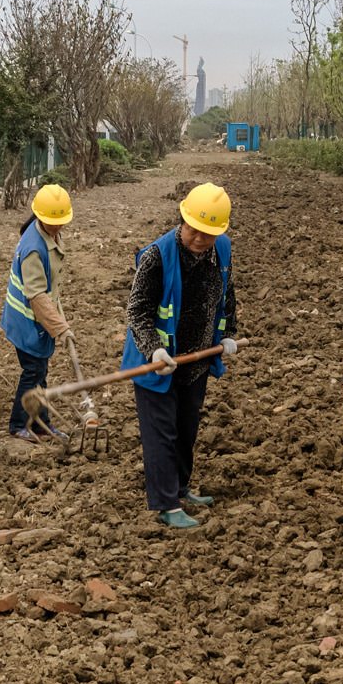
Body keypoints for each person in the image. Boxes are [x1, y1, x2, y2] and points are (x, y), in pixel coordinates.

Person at [121, 182, 238, 529]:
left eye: (208, 234)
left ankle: (181, 487)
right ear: (183, 220)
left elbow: (226, 293)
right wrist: (153, 348)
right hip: (156, 363)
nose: (200, 240)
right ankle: (166, 503)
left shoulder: (223, 251)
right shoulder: (157, 256)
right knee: (162, 433)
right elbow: (137, 310)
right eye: (194, 231)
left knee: (187, 426)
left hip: (197, 358)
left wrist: (229, 332)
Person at [2, 184, 74, 443]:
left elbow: (50, 288)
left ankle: (42, 423)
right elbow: (37, 296)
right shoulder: (33, 247)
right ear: (39, 216)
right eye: (51, 222)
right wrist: (60, 328)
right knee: (33, 372)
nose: (56, 226)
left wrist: (60, 323)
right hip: (27, 322)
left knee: (40, 372)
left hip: (39, 320)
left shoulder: (49, 235)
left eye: (60, 222)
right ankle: (18, 424)